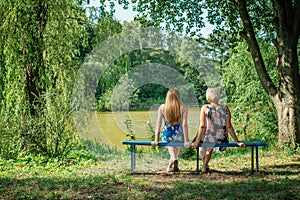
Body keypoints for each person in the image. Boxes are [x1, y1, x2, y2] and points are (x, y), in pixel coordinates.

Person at [191, 88, 246, 173]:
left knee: (205, 145)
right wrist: (237, 141)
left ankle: (204, 166)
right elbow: (229, 127)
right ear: (218, 96)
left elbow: (202, 126)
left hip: (207, 136)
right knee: (210, 143)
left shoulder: (205, 108)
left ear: (208, 96)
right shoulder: (225, 108)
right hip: (221, 137)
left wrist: (197, 141)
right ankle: (205, 165)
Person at [151, 88, 190, 172]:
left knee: (170, 145)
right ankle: (171, 165)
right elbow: (184, 125)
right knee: (177, 147)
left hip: (167, 135)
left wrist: (156, 139)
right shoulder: (183, 107)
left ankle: (173, 161)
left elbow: (158, 124)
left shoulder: (162, 107)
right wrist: (186, 140)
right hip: (179, 135)